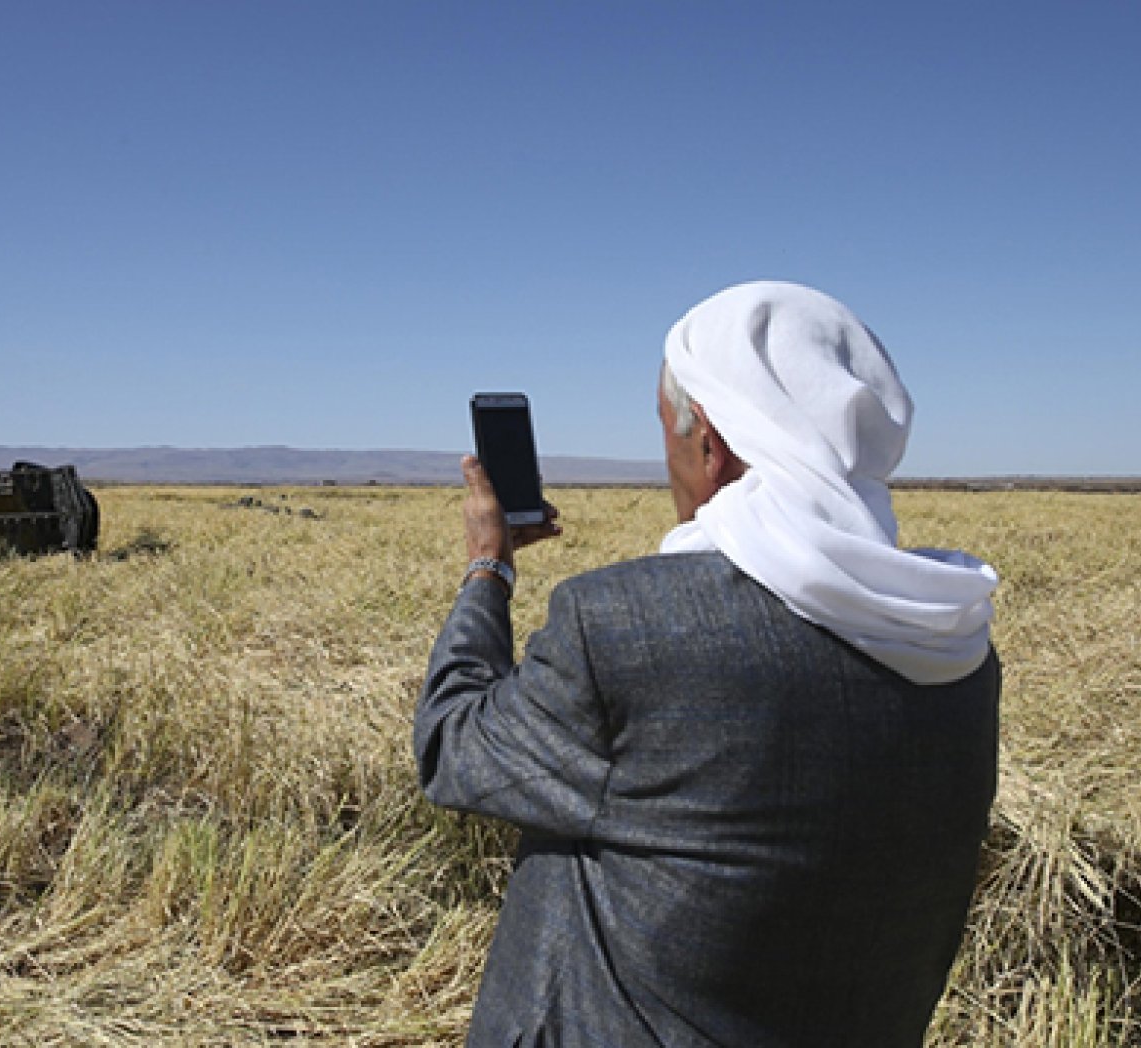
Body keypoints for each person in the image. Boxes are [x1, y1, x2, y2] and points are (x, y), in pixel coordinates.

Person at [415, 280, 1002, 1046]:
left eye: (665, 430)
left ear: (708, 444)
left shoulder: (623, 627)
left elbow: (452, 747)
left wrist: (487, 569)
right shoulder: (952, 633)